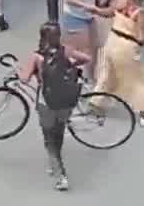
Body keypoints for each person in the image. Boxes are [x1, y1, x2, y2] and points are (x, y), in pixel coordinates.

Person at [16, 22, 91, 191]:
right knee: (59, 132)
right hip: (66, 101)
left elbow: (24, 79)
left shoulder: (37, 56)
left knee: (49, 139)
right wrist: (71, 65)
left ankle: (60, 174)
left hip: (47, 102)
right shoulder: (67, 50)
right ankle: (55, 162)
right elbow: (86, 59)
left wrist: (20, 70)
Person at [92, 0, 144, 127]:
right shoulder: (141, 14)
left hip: (111, 42)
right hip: (126, 48)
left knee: (107, 75)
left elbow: (105, 13)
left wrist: (91, 8)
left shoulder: (120, 4)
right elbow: (141, 38)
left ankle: (95, 103)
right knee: (139, 81)